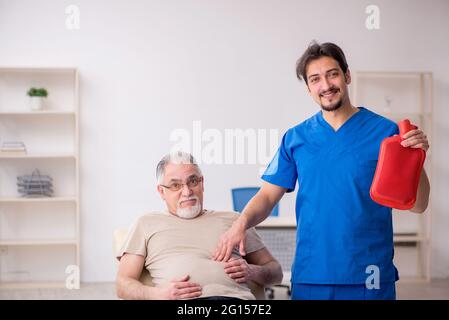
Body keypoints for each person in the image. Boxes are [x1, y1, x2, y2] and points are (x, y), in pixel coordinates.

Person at [213, 41, 430, 300]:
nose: (325, 85)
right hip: (312, 274)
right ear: (308, 88)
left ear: (347, 75)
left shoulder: (386, 133)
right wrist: (240, 224)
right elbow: (268, 196)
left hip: (369, 275)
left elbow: (418, 204)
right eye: (315, 79)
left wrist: (416, 157)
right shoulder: (295, 138)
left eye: (332, 74)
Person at [116, 152, 283, 300]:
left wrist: (253, 271)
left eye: (193, 181)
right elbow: (123, 284)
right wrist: (159, 295)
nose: (187, 192)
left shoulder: (235, 220)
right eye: (175, 185)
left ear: (202, 183)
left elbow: (276, 272)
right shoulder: (146, 223)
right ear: (161, 192)